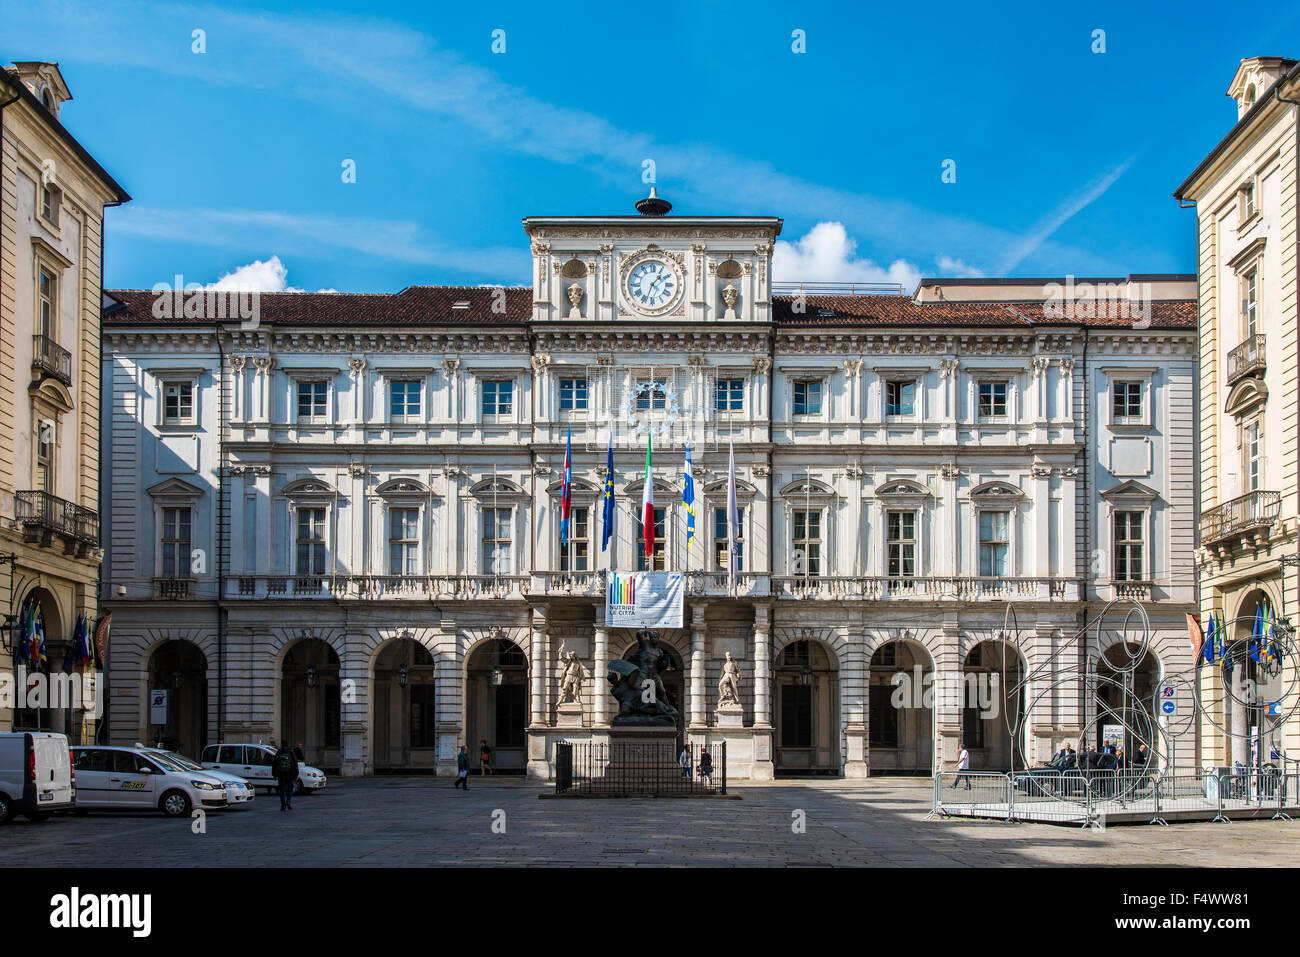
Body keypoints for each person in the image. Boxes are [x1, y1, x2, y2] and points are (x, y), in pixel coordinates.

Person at [272, 740, 298, 811]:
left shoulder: (279, 752)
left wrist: (274, 775)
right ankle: (288, 801)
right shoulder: (291, 752)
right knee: (290, 788)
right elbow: (295, 764)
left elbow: (274, 764)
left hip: (281, 774)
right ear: (288, 745)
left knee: (282, 789)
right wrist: (296, 774)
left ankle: (283, 804)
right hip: (290, 774)